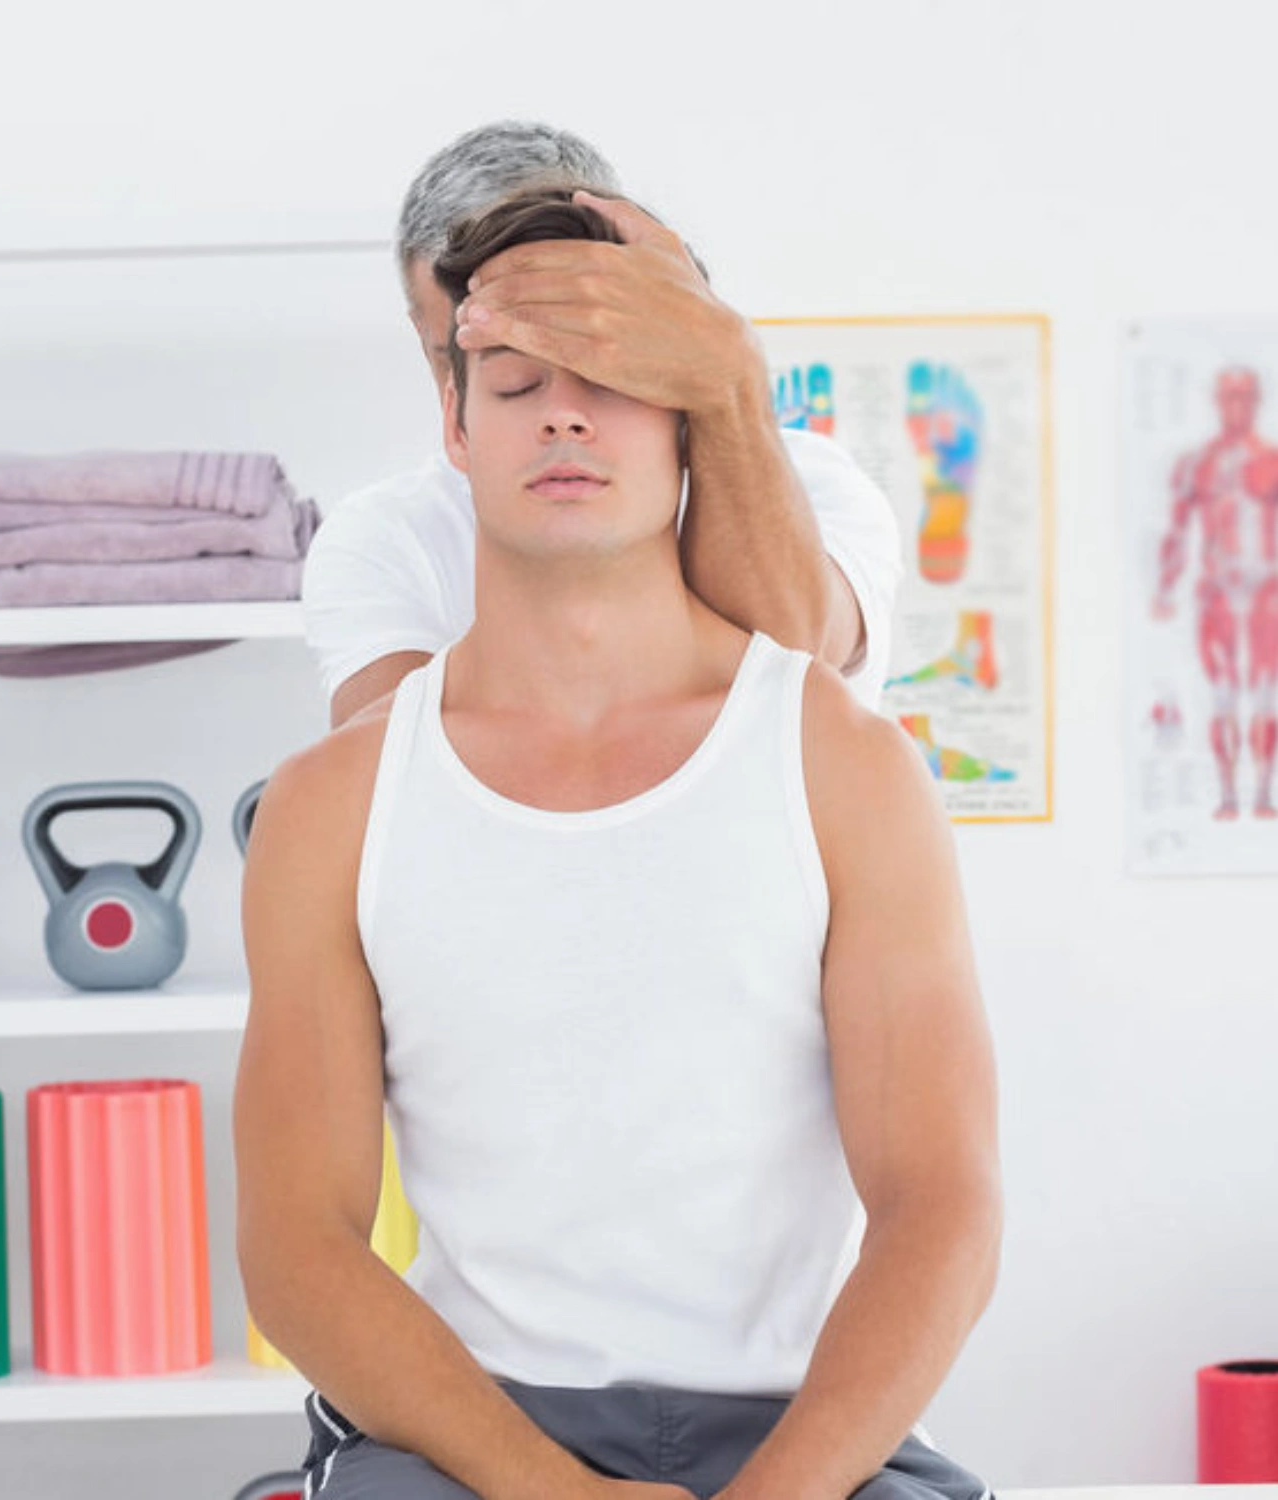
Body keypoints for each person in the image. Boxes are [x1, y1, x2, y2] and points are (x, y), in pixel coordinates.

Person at [236, 190, 1002, 1500]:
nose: (565, 415)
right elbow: (297, 1248)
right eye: (519, 380)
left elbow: (943, 1207)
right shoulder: (328, 807)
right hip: (474, 1440)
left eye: (616, 377)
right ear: (455, 427)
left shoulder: (845, 770)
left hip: (794, 1435)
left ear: (696, 414)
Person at [301, 121, 902, 729]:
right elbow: (392, 785)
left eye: (588, 359)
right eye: (507, 374)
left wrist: (730, 378)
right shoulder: (385, 536)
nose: (560, 414)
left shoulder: (817, 488)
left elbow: (788, 676)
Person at [1152, 365, 1278, 819]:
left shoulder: (1272, 460)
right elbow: (1177, 529)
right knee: (1223, 693)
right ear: (1217, 401)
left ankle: (1263, 794)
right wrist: (1165, 589)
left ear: (1257, 401)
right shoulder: (1198, 464)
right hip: (1218, 595)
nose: (1237, 406)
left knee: (1265, 693)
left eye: (1246, 397)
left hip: (1266, 594)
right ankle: (1228, 795)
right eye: (1229, 397)